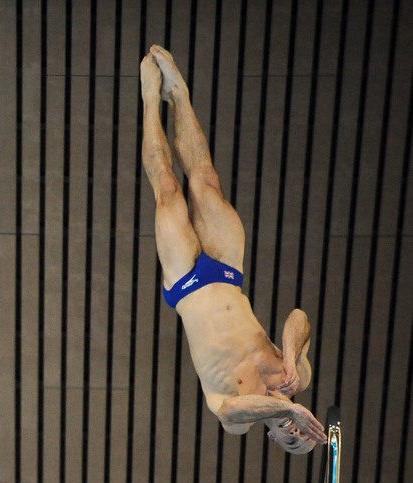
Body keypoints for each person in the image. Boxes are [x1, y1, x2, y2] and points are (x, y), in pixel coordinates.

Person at [139, 45, 325, 453]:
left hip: (186, 284)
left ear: (273, 436)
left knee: (168, 191)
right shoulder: (294, 376)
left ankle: (151, 99)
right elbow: (298, 317)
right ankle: (180, 95)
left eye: (290, 443)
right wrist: (292, 357)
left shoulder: (238, 422)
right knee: (205, 180)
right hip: (227, 271)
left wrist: (287, 410)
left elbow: (232, 409)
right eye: (302, 437)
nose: (294, 434)